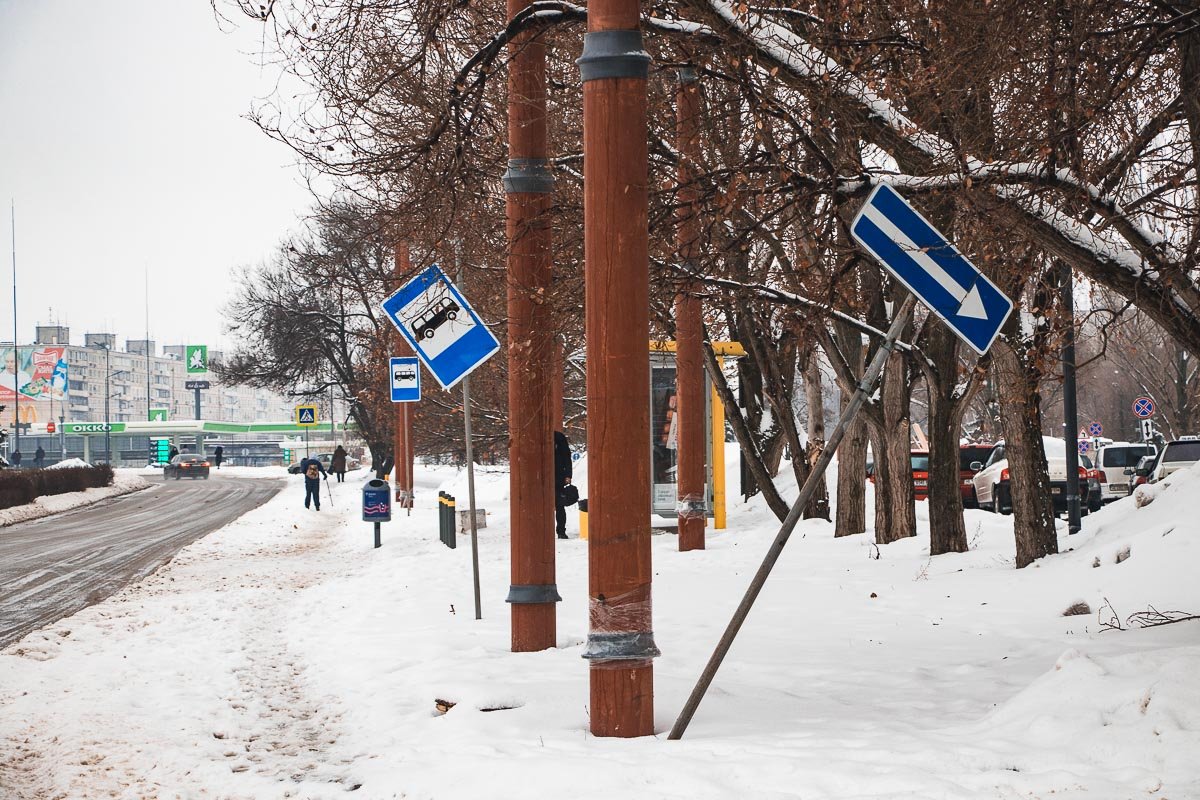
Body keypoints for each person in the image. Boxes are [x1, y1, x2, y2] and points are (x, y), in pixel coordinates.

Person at [553, 430, 573, 539]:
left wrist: (568, 475)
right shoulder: (537, 435)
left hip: (557, 476)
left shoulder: (559, 437)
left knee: (559, 505)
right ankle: (559, 531)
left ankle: (561, 531)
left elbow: (567, 457)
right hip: (545, 476)